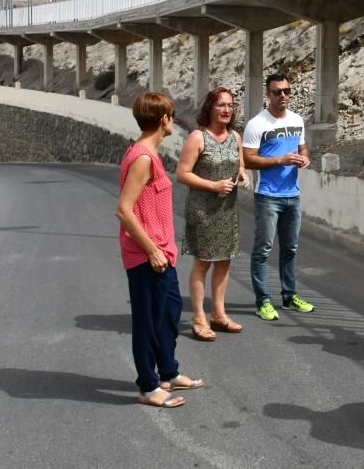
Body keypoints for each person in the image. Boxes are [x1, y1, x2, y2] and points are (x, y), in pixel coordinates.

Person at [116, 92, 204, 408]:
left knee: (169, 314)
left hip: (162, 253)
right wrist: (152, 250)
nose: (173, 119)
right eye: (171, 114)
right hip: (146, 255)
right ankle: (149, 385)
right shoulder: (141, 157)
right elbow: (124, 210)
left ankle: (168, 370)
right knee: (147, 322)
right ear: (163, 120)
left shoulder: (148, 154)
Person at [177, 87, 251, 342]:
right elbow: (183, 173)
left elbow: (239, 162)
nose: (227, 110)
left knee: (224, 260)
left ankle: (219, 314)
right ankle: (199, 317)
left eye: (230, 105)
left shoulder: (235, 137)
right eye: (221, 105)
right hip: (203, 210)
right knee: (203, 262)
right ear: (209, 108)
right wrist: (213, 185)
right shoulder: (198, 137)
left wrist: (242, 172)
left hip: (226, 209)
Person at [242, 73, 314, 321]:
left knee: (290, 248)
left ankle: (289, 296)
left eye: (286, 91)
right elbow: (248, 158)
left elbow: (302, 146)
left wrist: (305, 157)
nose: (282, 95)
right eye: (276, 92)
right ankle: (262, 301)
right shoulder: (257, 124)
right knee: (263, 249)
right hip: (268, 196)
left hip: (293, 195)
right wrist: (280, 160)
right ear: (267, 95)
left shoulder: (296, 119)